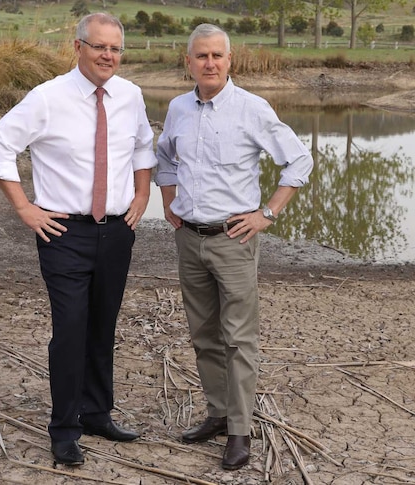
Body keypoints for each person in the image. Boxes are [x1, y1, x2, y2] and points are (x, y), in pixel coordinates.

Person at [0, 12, 156, 466]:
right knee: (71, 328)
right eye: (99, 46)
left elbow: (141, 145)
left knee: (103, 324)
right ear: (78, 47)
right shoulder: (48, 98)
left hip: (118, 232)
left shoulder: (131, 95)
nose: (108, 56)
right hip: (64, 233)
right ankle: (64, 428)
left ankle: (97, 413)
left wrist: (141, 193)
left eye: (115, 48)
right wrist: (24, 207)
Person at [154, 23, 314, 470]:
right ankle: (217, 415)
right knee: (204, 335)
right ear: (188, 62)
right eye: (200, 56)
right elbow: (165, 156)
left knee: (239, 339)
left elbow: (298, 158)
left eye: (216, 56)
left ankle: (240, 432)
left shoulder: (252, 108)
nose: (209, 63)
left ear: (230, 61)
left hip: (234, 240)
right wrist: (169, 202)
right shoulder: (178, 108)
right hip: (189, 238)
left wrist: (268, 213)